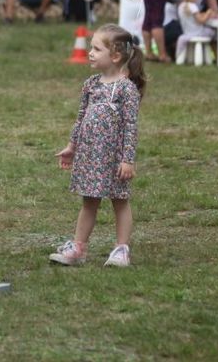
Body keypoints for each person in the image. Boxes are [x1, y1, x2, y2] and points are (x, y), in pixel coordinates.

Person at [50, 24, 144, 267]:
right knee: (89, 201)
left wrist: (127, 160)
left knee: (119, 201)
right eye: (91, 47)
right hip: (90, 156)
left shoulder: (126, 89)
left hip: (114, 158)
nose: (90, 53)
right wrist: (72, 146)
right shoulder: (91, 84)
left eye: (97, 49)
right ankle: (78, 248)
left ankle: (121, 250)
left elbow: (131, 127)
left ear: (115, 56)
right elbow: (81, 117)